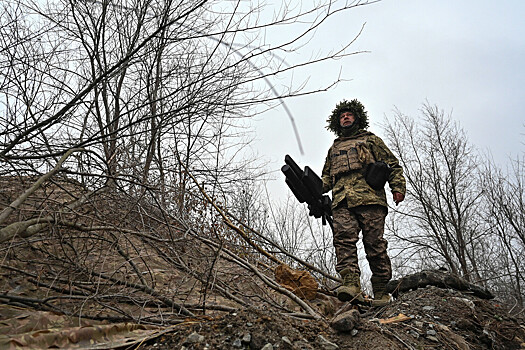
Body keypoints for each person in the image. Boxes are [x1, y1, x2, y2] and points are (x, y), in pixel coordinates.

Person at [321, 99, 406, 306]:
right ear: (337, 122)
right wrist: (312, 189)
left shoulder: (371, 140)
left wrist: (398, 188)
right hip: (342, 201)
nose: (345, 118)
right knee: (343, 241)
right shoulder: (334, 148)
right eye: (342, 116)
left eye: (349, 115)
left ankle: (381, 291)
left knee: (375, 245)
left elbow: (393, 165)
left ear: (357, 118)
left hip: (370, 199)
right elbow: (326, 178)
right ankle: (350, 284)